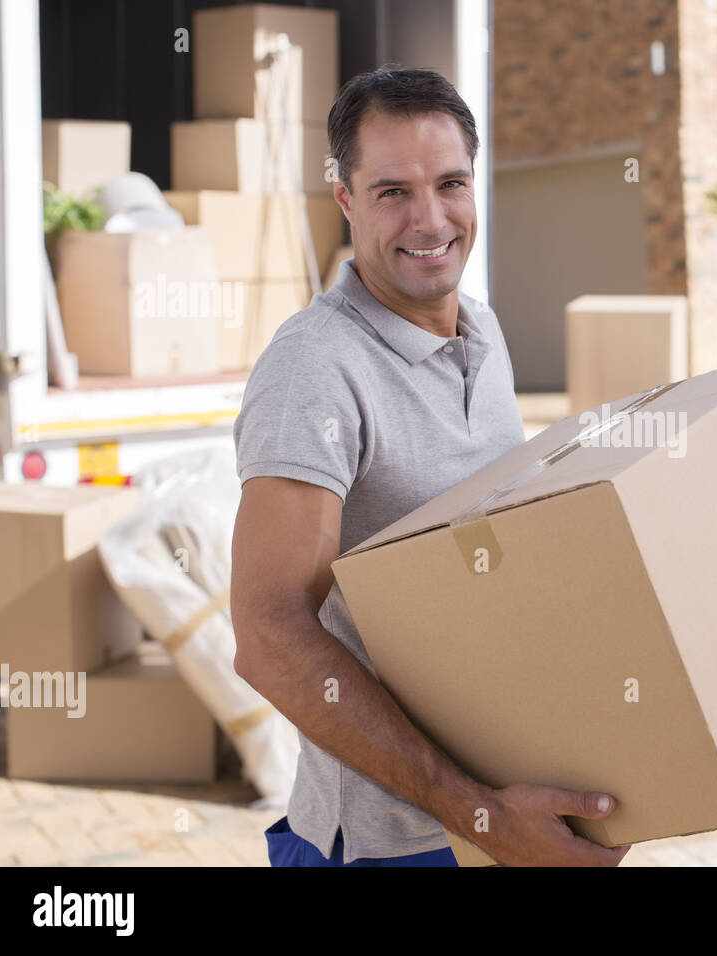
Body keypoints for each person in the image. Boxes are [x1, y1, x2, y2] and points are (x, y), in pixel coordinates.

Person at [231, 67, 630, 867]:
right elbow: (269, 637)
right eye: (392, 192)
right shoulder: (315, 370)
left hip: (509, 810)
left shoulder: (481, 333)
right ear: (344, 199)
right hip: (395, 843)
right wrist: (481, 815)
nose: (431, 219)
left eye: (451, 183)